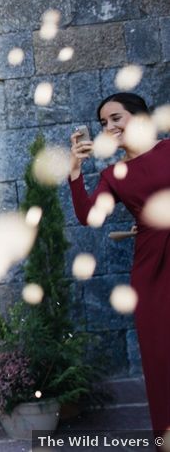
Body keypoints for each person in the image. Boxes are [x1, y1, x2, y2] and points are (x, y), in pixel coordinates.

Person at [69, 92, 170, 437]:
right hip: (152, 269)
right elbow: (87, 216)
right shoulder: (115, 173)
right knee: (161, 359)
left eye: (116, 118)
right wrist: (75, 171)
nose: (109, 127)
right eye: (103, 123)